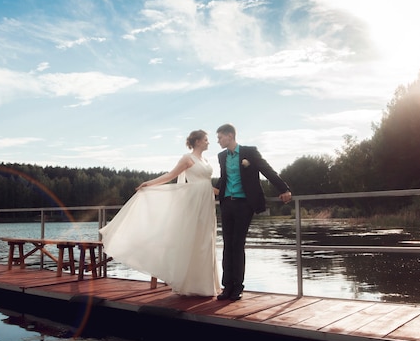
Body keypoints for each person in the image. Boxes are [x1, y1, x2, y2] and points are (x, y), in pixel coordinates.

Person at [99, 130, 220, 297]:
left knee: (205, 240)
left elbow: (206, 184)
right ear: (197, 141)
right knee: (194, 240)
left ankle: (205, 285)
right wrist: (150, 183)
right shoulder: (187, 158)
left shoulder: (205, 160)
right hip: (194, 203)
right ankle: (191, 285)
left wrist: (224, 192)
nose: (208, 142)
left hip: (206, 202)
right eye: (206, 140)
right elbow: (171, 175)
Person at [215, 123, 292, 301]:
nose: (218, 141)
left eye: (220, 137)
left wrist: (283, 189)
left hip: (244, 204)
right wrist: (213, 189)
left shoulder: (250, 152)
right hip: (227, 203)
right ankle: (226, 286)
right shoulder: (222, 156)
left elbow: (267, 170)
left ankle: (237, 287)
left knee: (237, 244)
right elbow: (224, 177)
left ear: (230, 136)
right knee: (227, 244)